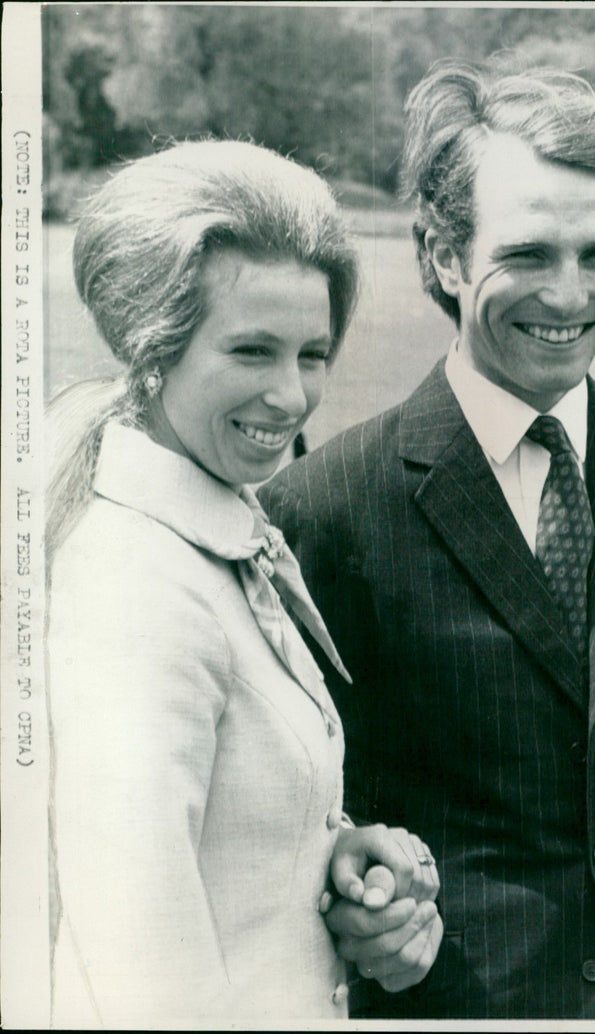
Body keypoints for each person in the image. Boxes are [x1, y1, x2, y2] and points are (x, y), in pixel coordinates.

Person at [261, 60, 595, 1020]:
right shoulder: (322, 510)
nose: (569, 295)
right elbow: (295, 831)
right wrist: (361, 899)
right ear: (443, 256)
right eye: (529, 255)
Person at [45, 139, 442, 1029]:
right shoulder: (135, 591)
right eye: (253, 351)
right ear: (154, 347)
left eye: (313, 353)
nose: (294, 397)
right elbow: (146, 981)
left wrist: (328, 856)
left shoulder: (207, 532)